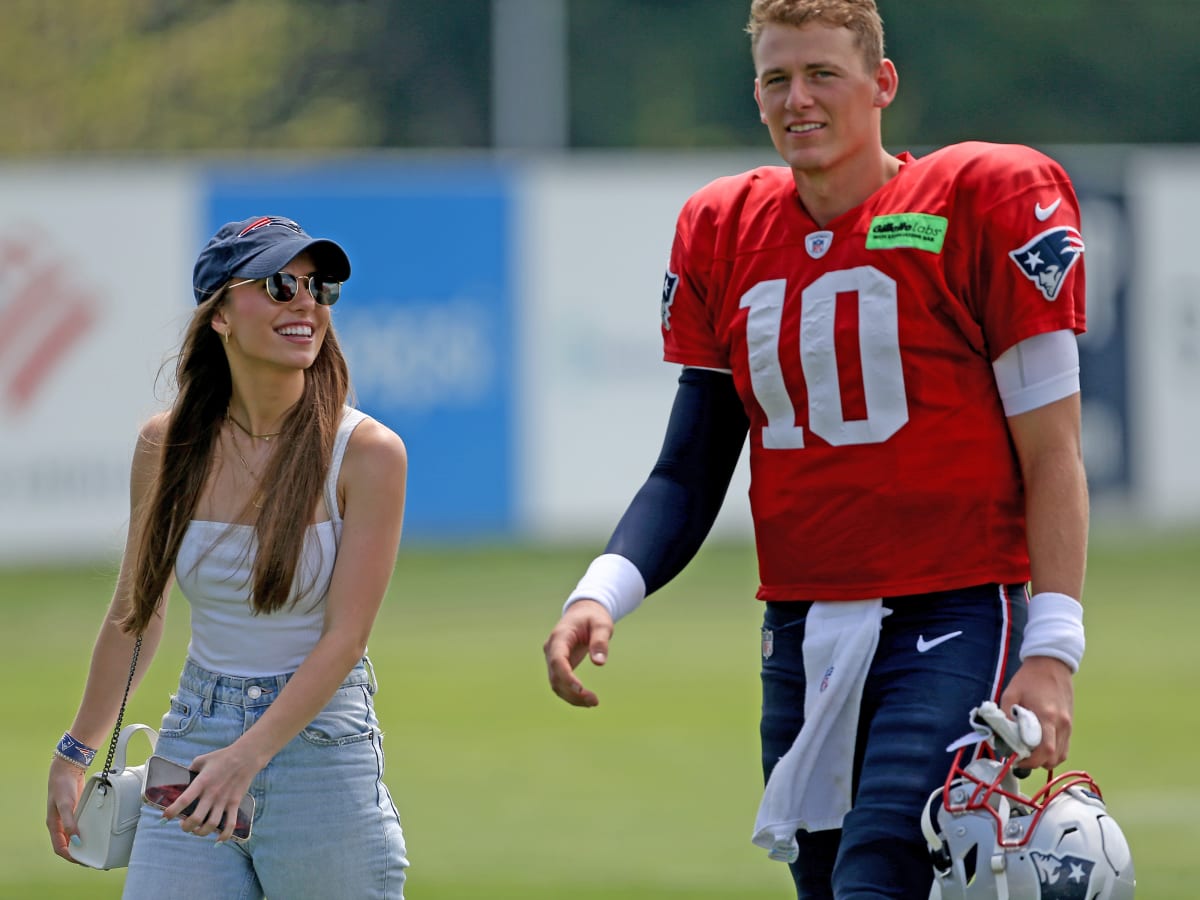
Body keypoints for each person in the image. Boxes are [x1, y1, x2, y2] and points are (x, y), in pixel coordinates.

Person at [542, 1, 1089, 897]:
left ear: (883, 84)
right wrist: (600, 592)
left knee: (886, 869)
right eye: (776, 78)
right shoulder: (726, 228)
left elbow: (1054, 452)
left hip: (955, 609)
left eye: (822, 74)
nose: (798, 99)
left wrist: (1053, 653)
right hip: (801, 627)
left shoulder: (978, 197)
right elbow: (689, 467)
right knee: (833, 883)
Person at [46, 215, 410, 898]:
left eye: (317, 287)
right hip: (191, 736)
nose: (304, 303)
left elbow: (346, 638)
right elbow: (136, 612)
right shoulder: (166, 445)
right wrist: (76, 750)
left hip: (321, 750)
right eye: (279, 285)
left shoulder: (368, 454)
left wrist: (248, 756)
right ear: (220, 315)